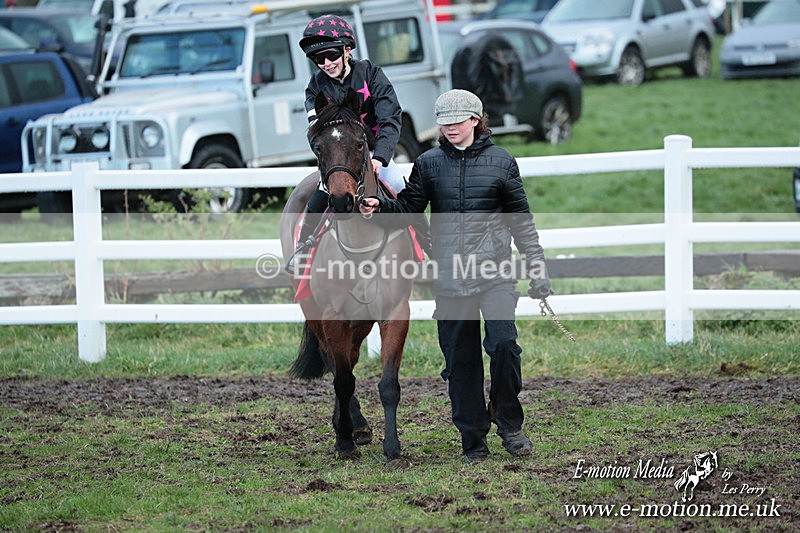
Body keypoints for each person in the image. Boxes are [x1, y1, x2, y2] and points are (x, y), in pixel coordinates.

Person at [359, 89, 553, 463]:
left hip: (495, 273)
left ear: (476, 120)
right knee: (460, 361)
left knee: (503, 347)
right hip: (449, 277)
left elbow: (521, 222)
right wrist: (379, 206)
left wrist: (537, 268)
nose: (450, 128)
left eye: (458, 121)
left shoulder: (502, 162)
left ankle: (510, 425)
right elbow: (409, 208)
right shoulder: (428, 164)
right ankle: (473, 440)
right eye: (444, 122)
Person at [286, 13, 408, 274]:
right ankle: (303, 251)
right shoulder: (315, 88)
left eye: (331, 55)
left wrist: (380, 158)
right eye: (319, 59)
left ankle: (424, 244)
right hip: (337, 156)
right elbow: (314, 132)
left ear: (346, 50)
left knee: (398, 184)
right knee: (319, 197)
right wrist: (331, 160)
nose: (327, 63)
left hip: (373, 149)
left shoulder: (372, 75)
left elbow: (391, 119)